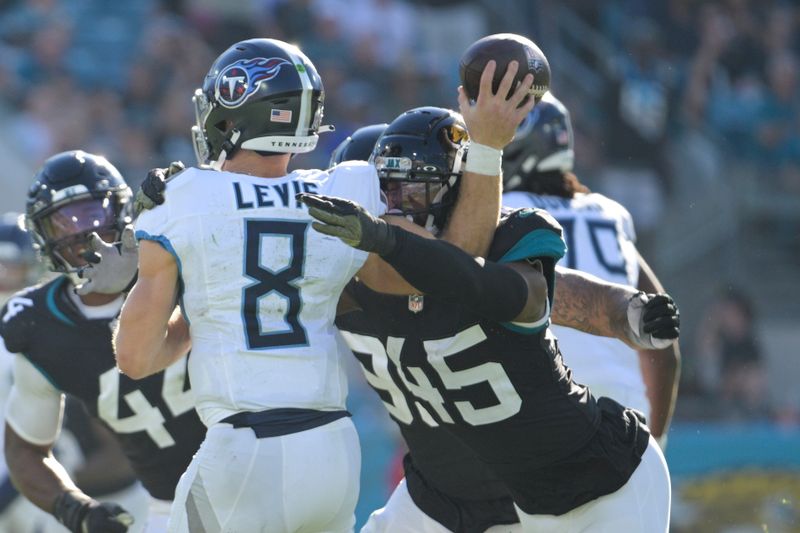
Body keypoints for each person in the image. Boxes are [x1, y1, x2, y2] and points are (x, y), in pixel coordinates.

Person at [114, 37, 536, 532]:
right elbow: (458, 264)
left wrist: (187, 288)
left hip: (246, 449)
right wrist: (486, 150)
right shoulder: (349, 187)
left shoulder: (182, 197)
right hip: (333, 450)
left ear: (234, 108)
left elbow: (136, 357)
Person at [297, 106, 676, 531]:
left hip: (576, 481)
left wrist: (628, 311)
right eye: (384, 198)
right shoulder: (346, 282)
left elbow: (554, 294)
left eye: (407, 195)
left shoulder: (492, 253)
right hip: (445, 493)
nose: (396, 210)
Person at [1, 150, 207, 533]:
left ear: (123, 212)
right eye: (65, 224)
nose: (85, 235)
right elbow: (25, 448)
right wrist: (74, 509)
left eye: (94, 214)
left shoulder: (178, 262)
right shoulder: (39, 326)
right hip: (166, 504)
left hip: (250, 461)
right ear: (43, 238)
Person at [502, 92, 681, 446]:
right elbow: (663, 341)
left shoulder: (501, 212)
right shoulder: (609, 214)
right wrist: (655, 443)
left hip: (540, 412)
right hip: (627, 414)